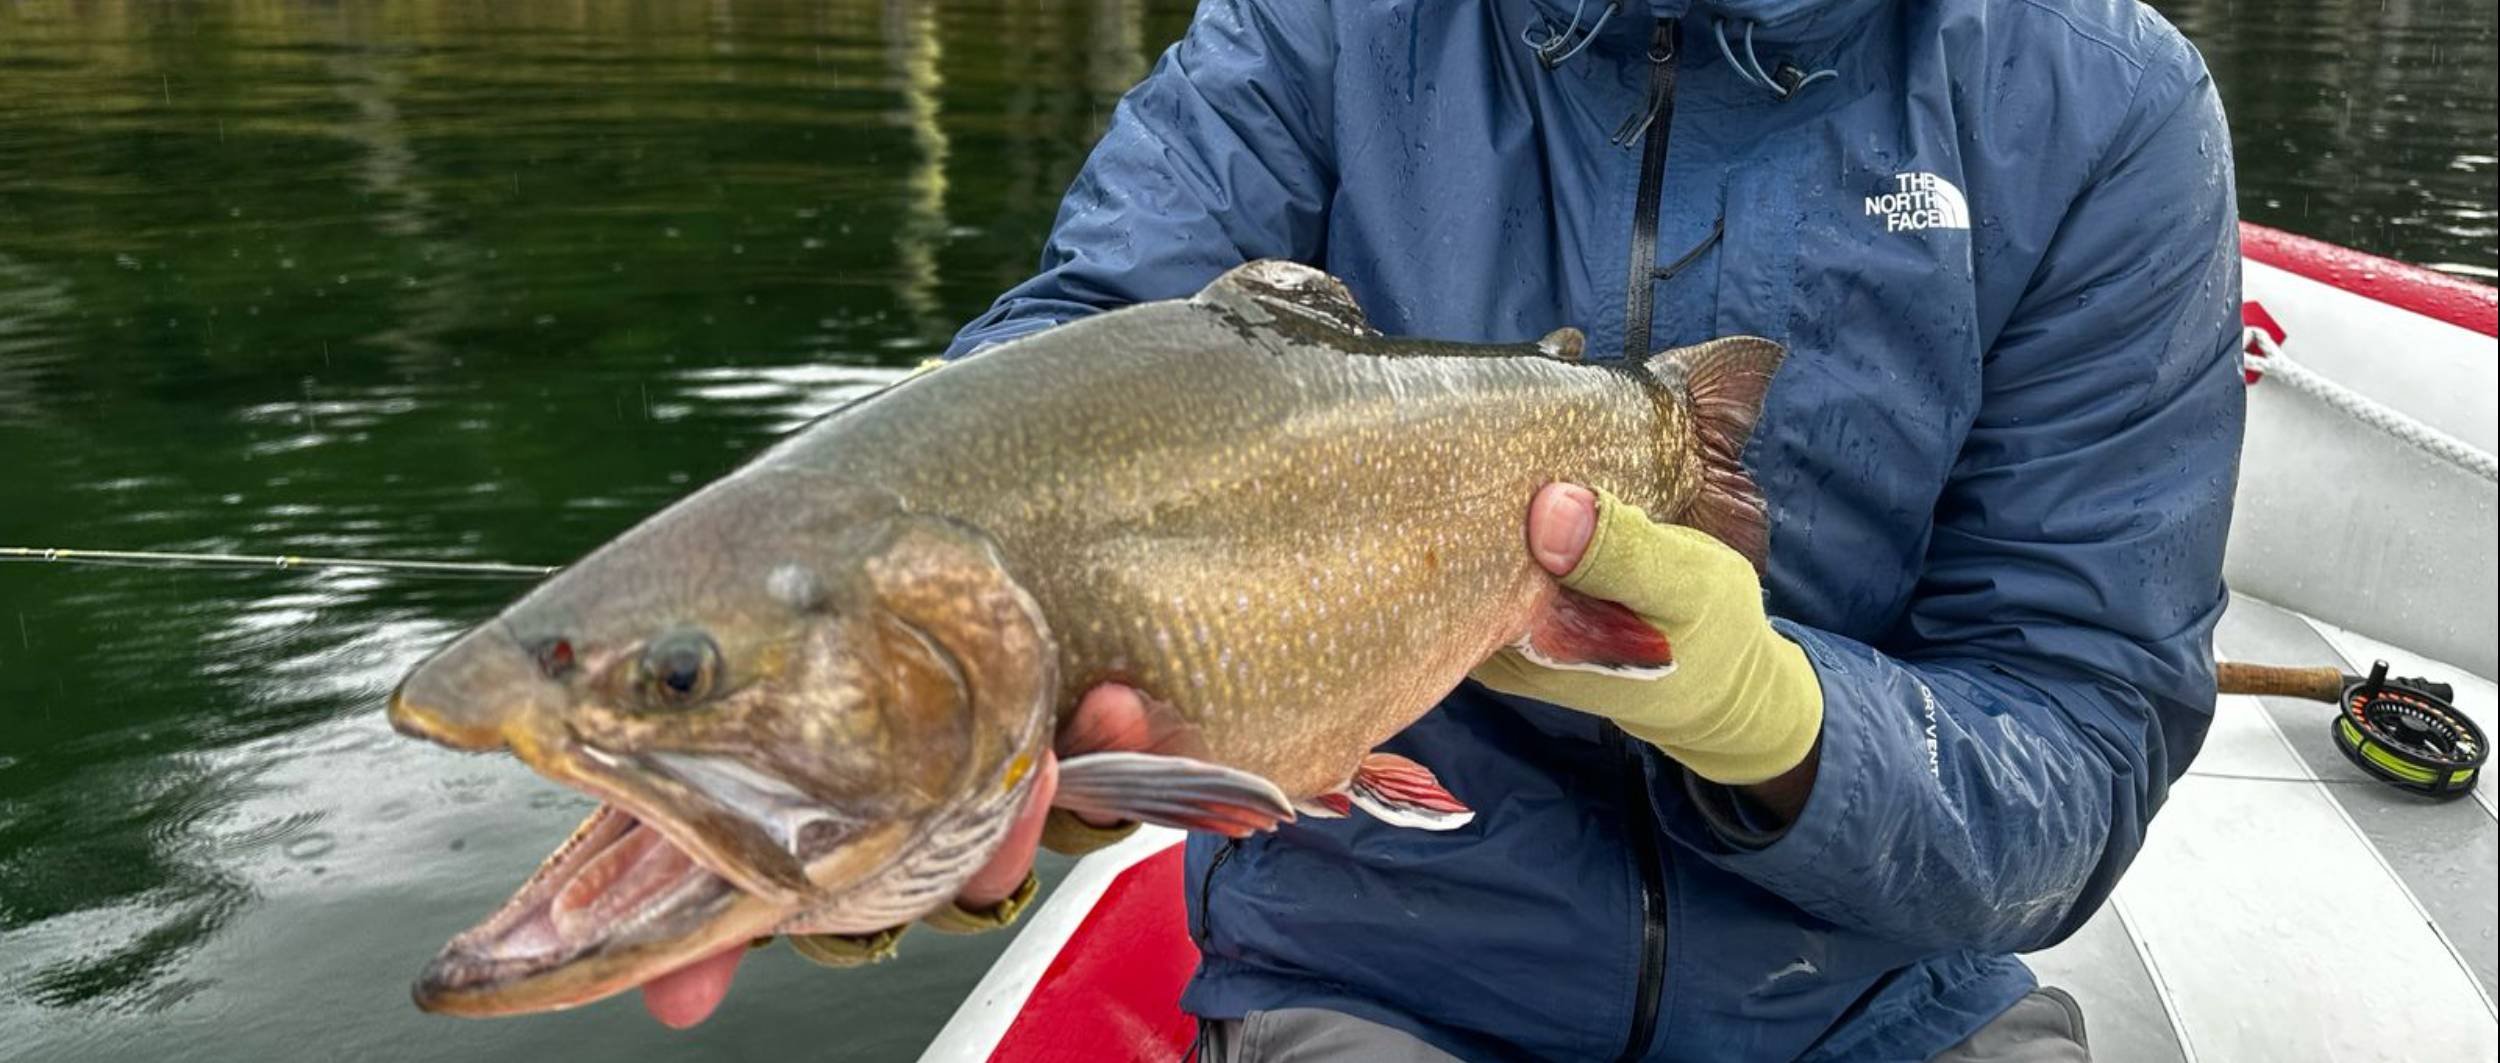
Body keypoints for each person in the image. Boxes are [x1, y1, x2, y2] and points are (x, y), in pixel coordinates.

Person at [640, 0, 2247, 1057]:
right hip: (1372, 981)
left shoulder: (2102, 104)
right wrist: (902, 701)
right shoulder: (1314, 28)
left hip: (1885, 1009)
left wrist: (1789, 730)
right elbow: (1079, 356)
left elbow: (2084, 731)